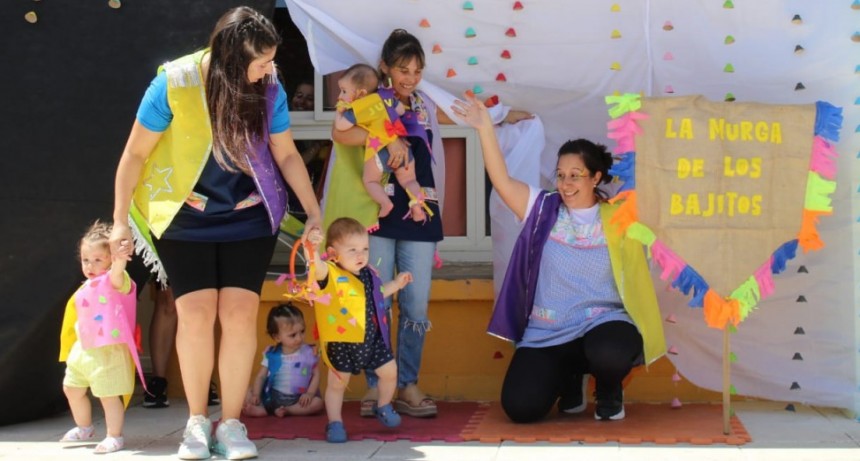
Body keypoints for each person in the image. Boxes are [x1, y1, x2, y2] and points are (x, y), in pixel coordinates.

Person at [109, 6, 321, 460]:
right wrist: (119, 220)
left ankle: (231, 424)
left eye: (271, 61)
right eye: (260, 62)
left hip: (250, 214)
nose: (270, 70)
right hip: (183, 216)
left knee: (241, 313)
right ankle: (196, 423)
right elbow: (134, 156)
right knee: (197, 314)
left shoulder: (269, 87)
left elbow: (285, 155)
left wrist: (315, 213)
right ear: (228, 59)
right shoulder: (174, 81)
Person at [328, 29, 532, 419]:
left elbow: (458, 112)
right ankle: (377, 385)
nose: (410, 77)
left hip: (421, 212)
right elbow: (342, 134)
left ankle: (406, 383)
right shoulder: (370, 102)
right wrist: (386, 138)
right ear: (385, 67)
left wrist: (509, 116)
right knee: (378, 300)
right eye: (403, 69)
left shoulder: (422, 103)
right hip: (380, 214)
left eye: (417, 71)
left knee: (416, 305)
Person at [452, 92, 666, 423]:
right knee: (521, 408)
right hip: (549, 330)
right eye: (561, 174)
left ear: (596, 178)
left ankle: (609, 389)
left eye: (576, 175)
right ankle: (570, 380)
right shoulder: (541, 208)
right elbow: (502, 180)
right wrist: (484, 128)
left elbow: (665, 189)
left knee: (609, 352)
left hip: (603, 323)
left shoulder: (622, 215)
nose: (565, 183)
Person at [306, 217, 413, 442]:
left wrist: (397, 284)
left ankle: (383, 406)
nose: (360, 255)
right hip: (341, 343)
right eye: (352, 249)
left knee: (390, 371)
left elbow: (378, 293)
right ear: (334, 253)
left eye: (364, 248)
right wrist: (312, 247)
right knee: (337, 384)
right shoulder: (330, 273)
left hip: (372, 339)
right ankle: (335, 423)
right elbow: (316, 267)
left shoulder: (368, 274)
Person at [58, 221, 142, 454]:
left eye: (98, 259)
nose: (90, 265)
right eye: (86, 260)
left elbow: (118, 269)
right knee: (71, 389)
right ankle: (84, 427)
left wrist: (120, 254)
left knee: (107, 395)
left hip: (108, 351)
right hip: (83, 350)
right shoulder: (86, 286)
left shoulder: (115, 281)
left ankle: (115, 436)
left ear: (111, 259)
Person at [333, 63, 427, 221]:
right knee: (410, 180)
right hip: (403, 149)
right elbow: (401, 111)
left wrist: (339, 111)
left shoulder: (357, 108)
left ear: (361, 93)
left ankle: (385, 203)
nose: (340, 96)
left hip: (377, 152)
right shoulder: (386, 97)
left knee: (370, 181)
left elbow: (340, 127)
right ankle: (417, 206)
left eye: (344, 91)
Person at [242, 303, 323, 418]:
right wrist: (256, 394)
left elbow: (316, 374)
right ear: (277, 337)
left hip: (299, 400)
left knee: (318, 404)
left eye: (302, 331)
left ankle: (288, 410)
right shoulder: (271, 354)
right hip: (272, 396)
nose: (299, 338)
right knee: (245, 390)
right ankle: (263, 408)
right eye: (293, 335)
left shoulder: (309, 352)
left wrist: (310, 393)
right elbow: (261, 377)